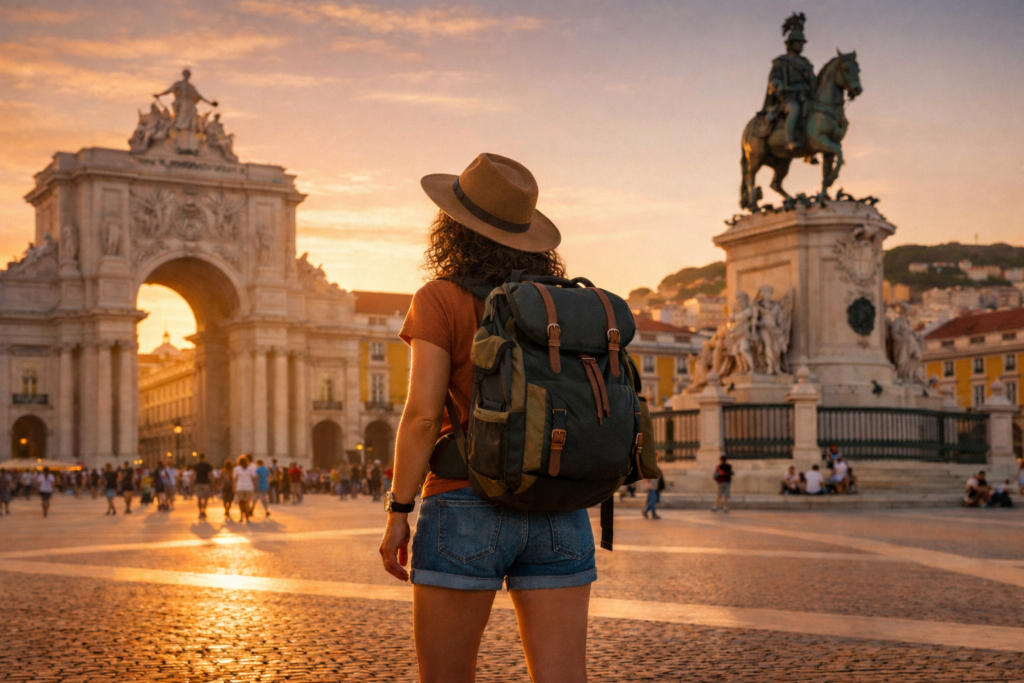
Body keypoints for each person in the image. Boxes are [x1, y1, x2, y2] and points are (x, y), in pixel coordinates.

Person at [380, 153, 592, 682]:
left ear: (452, 229)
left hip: (463, 500)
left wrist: (398, 510)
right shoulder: (564, 304)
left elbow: (423, 418)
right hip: (559, 505)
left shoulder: (440, 298)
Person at [233, 455, 256, 523]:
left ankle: (241, 516)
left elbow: (234, 479)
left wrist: (234, 486)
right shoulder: (250, 468)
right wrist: (255, 486)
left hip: (240, 487)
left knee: (241, 502)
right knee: (247, 502)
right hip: (248, 487)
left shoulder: (237, 469)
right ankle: (247, 516)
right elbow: (253, 478)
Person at [193, 452, 214, 520]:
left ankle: (200, 512)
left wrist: (192, 484)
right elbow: (211, 475)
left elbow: (192, 475)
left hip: (198, 483)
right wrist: (212, 483)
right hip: (206, 483)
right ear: (204, 458)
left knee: (199, 498)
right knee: (205, 499)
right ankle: (204, 511)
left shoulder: (196, 465)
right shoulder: (207, 465)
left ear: (199, 458)